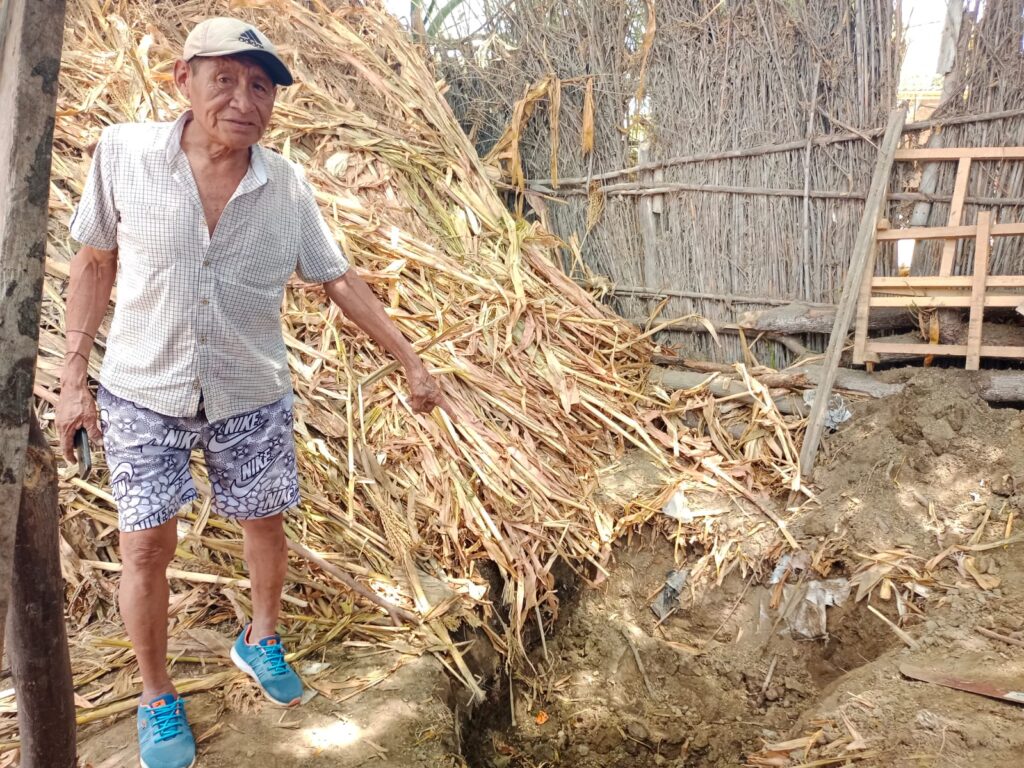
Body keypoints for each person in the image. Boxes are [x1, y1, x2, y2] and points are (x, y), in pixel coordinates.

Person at [56, 17, 448, 768]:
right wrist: (74, 377)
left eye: (261, 86)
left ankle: (260, 637)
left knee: (265, 522)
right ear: (184, 78)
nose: (243, 100)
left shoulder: (285, 186)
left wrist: (410, 361)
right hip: (144, 391)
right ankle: (156, 695)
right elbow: (94, 262)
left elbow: (337, 278)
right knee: (146, 546)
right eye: (226, 79)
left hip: (249, 392)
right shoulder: (123, 154)